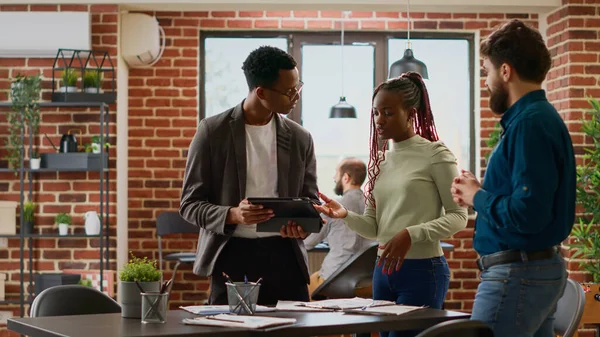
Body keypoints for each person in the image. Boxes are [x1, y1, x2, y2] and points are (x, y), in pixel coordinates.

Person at [316, 72, 468, 337]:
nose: (379, 120)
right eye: (375, 113)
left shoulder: (436, 155)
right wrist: (345, 215)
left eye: (387, 112)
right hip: (382, 272)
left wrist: (411, 233)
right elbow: (375, 228)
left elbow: (458, 217)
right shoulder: (380, 162)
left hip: (422, 272)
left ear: (410, 113)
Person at [451, 19, 575, 337]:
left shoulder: (529, 124)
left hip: (518, 274)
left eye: (486, 72)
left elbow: (527, 213)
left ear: (505, 71)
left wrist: (477, 196)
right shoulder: (539, 119)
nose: (486, 81)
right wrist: (479, 190)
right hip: (533, 272)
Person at [180, 46, 318, 306]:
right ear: (261, 92)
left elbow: (310, 201)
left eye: (298, 86)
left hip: (286, 259)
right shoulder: (212, 131)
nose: (296, 96)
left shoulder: (301, 138)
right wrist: (232, 214)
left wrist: (301, 226)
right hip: (232, 257)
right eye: (289, 91)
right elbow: (189, 205)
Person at [304, 157, 375, 296]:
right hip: (367, 281)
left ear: (346, 177)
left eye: (336, 174)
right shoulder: (373, 206)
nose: (334, 178)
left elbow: (308, 242)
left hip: (336, 277)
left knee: (301, 289)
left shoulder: (334, 207)